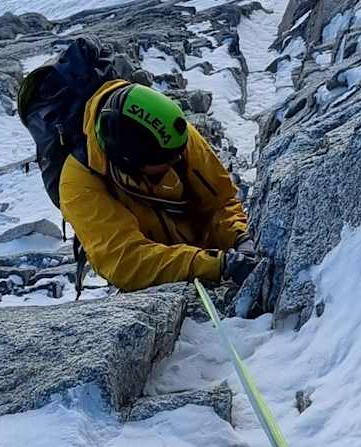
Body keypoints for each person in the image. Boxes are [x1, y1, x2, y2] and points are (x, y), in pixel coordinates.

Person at [58, 80, 261, 291]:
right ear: (130, 162)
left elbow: (220, 200)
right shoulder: (79, 183)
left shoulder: (171, 137)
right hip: (150, 281)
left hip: (212, 258)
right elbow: (124, 261)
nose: (177, 163)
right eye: (164, 165)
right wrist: (214, 265)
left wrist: (240, 237)